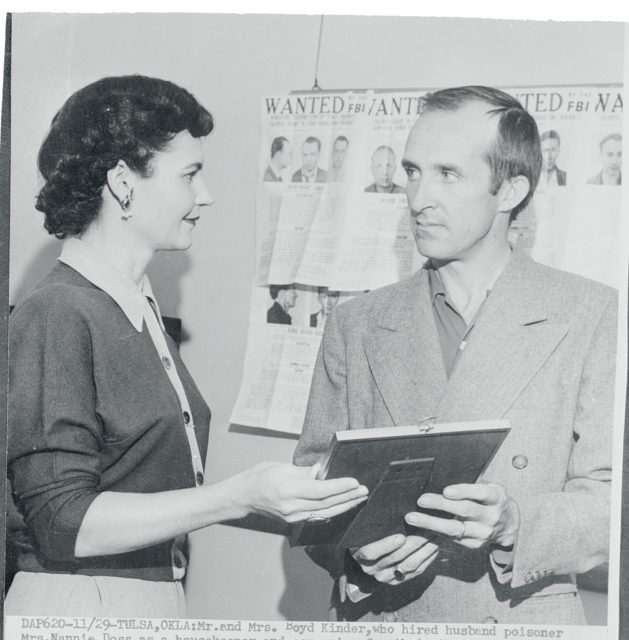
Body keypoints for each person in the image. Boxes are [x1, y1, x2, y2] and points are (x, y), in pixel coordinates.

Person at [6, 75, 368, 618]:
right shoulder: (58, 312)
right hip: (81, 603)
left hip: (149, 597)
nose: (207, 195)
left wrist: (292, 498)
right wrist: (239, 494)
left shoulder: (136, 306)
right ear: (124, 183)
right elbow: (63, 522)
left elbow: (149, 491)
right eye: (190, 174)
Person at [295, 86, 615, 625]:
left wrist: (514, 522)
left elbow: (611, 501)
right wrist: (356, 556)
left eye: (448, 174)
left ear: (510, 189)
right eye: (413, 172)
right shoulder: (357, 323)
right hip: (383, 615)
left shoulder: (593, 314)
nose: (418, 198)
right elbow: (313, 487)